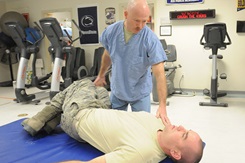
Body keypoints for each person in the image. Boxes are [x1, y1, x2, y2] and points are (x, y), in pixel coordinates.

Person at [22, 79, 204, 163]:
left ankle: (43, 118)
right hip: (99, 109)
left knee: (81, 83)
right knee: (99, 87)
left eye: (184, 134)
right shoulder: (163, 127)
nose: (180, 127)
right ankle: (52, 116)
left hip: (77, 118)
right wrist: (169, 128)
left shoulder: (141, 153)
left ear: (176, 153)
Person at [94, 0, 168, 119]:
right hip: (118, 90)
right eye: (137, 20)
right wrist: (101, 75)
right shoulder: (112, 32)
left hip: (140, 92)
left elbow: (160, 74)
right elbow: (108, 54)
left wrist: (162, 106)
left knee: (141, 127)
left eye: (144, 21)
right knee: (114, 126)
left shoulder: (150, 39)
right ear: (126, 14)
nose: (140, 26)